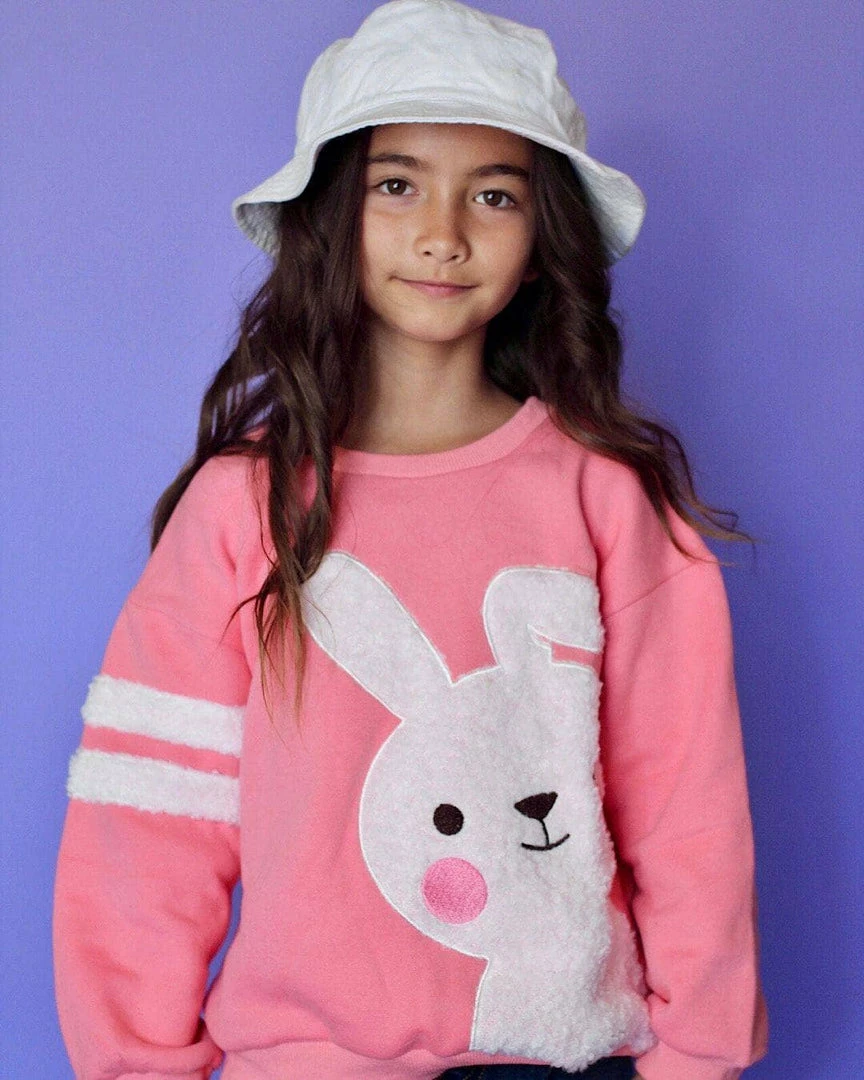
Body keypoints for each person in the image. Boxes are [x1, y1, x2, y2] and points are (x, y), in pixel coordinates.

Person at [53, 2, 769, 1078]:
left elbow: (687, 805)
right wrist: (137, 1065)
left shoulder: (606, 499)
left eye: (494, 194)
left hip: (552, 1059)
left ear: (543, 240)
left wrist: (698, 1057)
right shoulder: (240, 506)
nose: (445, 232)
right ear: (331, 215)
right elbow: (150, 821)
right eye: (397, 184)